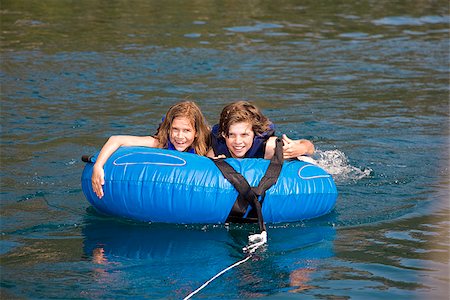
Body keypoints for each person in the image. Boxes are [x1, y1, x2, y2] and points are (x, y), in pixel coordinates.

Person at [91, 101, 210, 198]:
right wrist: (98, 166)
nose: (179, 136)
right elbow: (116, 139)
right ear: (168, 130)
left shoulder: (205, 147)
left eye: (186, 130)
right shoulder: (160, 143)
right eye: (175, 129)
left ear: (196, 133)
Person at [207, 101, 315, 160]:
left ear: (254, 133)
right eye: (232, 135)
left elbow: (309, 147)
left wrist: (302, 148)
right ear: (224, 134)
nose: (238, 141)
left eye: (244, 135)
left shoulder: (267, 146)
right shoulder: (216, 150)